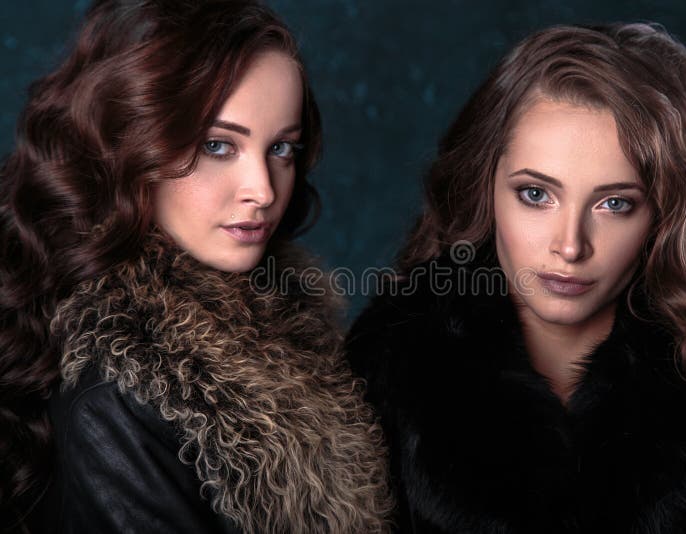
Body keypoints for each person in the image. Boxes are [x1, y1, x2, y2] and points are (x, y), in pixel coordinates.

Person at [346, 22, 686, 533]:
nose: (569, 245)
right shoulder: (378, 374)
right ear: (486, 187)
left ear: (667, 213)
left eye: (614, 204)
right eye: (536, 195)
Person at [0, 1, 394, 532]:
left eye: (281, 148)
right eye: (217, 145)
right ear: (132, 144)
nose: (262, 189)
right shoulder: (119, 394)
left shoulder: (287, 327)